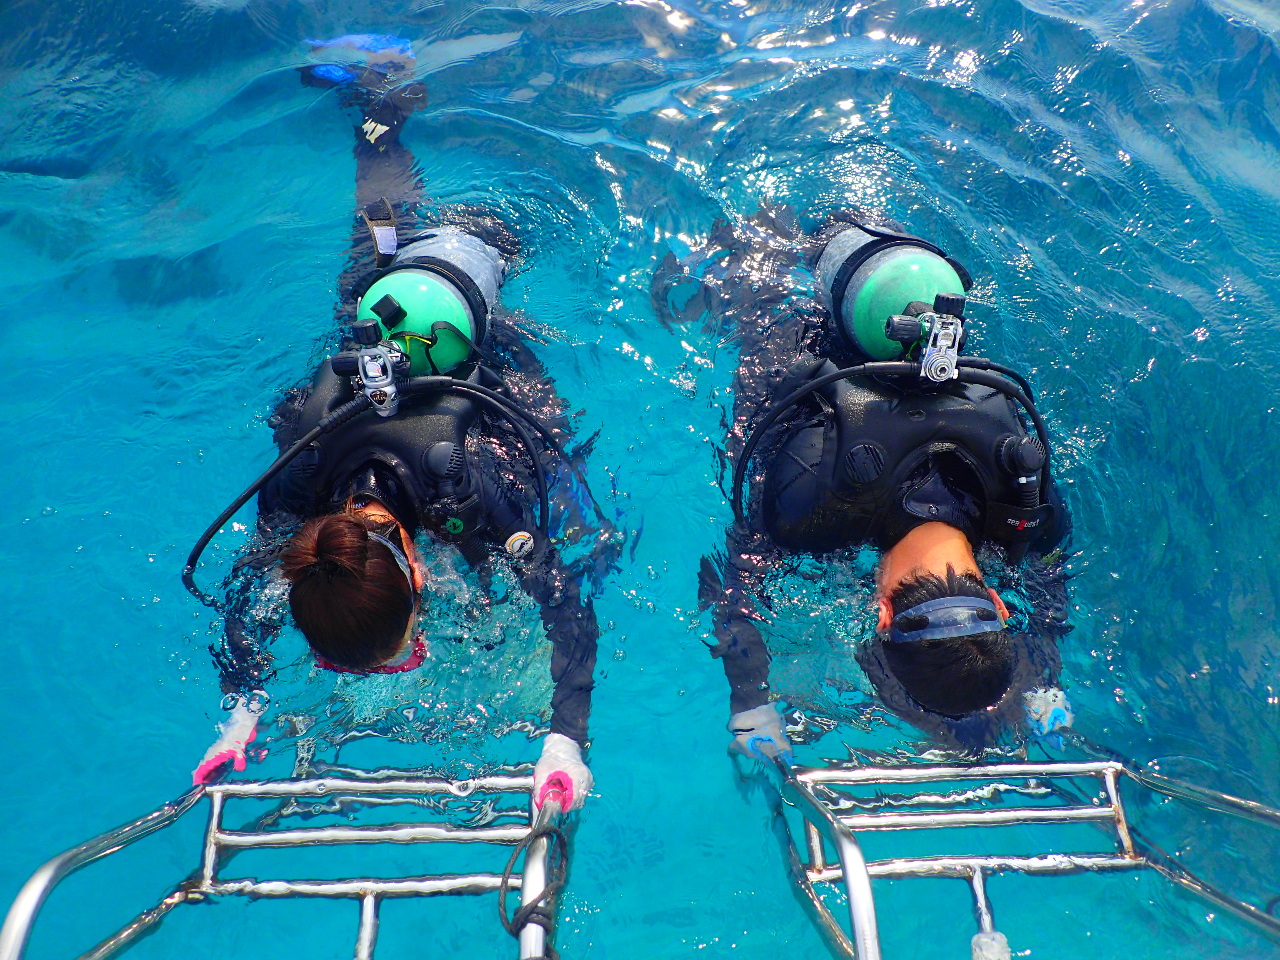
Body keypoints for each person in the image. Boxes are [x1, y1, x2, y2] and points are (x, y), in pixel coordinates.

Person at [189, 36, 616, 812]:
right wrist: (240, 713)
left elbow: (567, 606)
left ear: (419, 576)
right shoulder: (297, 492)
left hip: (486, 364)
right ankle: (379, 109)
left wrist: (565, 739)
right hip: (381, 322)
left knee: (567, 475)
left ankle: (443, 167)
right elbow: (243, 597)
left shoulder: (469, 493)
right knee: (374, 246)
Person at [653, 207, 1073, 755]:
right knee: (724, 321)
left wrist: (1044, 675)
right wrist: (750, 702)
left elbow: (1050, 587)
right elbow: (731, 593)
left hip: (905, 323)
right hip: (795, 354)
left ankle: (837, 233)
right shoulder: (812, 514)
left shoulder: (1023, 505)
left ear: (996, 600)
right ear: (880, 615)